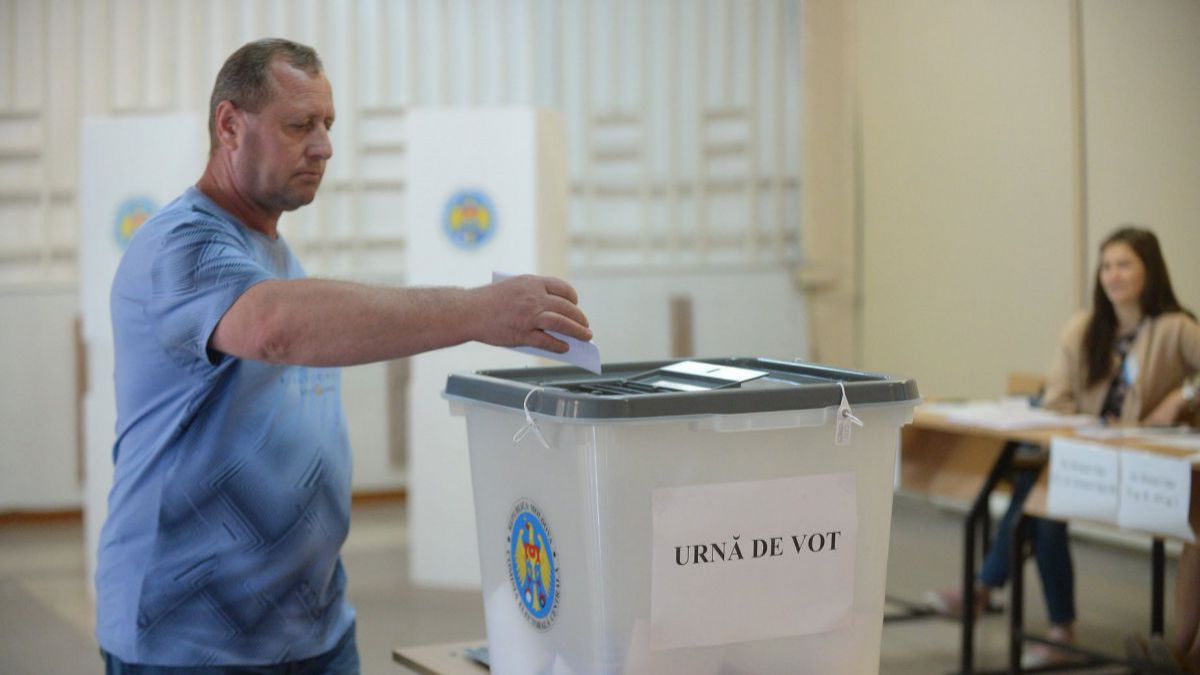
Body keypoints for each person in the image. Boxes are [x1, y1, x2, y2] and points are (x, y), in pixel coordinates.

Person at [94, 38, 591, 673]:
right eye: (300, 125)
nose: (324, 146)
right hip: (190, 643)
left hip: (312, 628)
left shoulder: (270, 253)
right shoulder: (181, 244)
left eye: (328, 124)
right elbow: (276, 328)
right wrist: (478, 312)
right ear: (229, 126)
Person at [930, 226, 1200, 668]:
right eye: (1106, 266)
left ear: (1150, 271)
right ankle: (1045, 624)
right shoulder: (1085, 328)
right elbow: (1057, 398)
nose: (1113, 275)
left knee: (1037, 498)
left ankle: (990, 593)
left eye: (1125, 265)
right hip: (1089, 460)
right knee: (1041, 502)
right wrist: (1087, 424)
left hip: (1144, 470)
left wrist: (1181, 397)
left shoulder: (1175, 327)